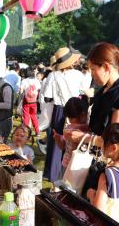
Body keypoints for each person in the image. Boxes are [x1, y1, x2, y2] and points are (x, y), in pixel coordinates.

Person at [63, 42, 119, 194]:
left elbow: (114, 141)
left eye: (94, 69)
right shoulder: (104, 90)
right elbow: (97, 125)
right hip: (92, 157)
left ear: (107, 67)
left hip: (105, 163)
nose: (92, 74)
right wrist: (80, 129)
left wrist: (83, 137)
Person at [42, 46, 84, 182]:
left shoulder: (53, 75)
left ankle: (53, 173)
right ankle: (70, 172)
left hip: (59, 110)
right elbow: (83, 92)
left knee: (56, 140)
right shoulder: (79, 75)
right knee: (73, 141)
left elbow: (47, 95)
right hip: (75, 109)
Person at [53, 96, 90, 180]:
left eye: (70, 118)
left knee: (63, 188)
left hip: (72, 166)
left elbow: (62, 146)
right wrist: (58, 138)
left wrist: (58, 138)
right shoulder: (70, 129)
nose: (70, 121)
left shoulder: (71, 129)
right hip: (72, 165)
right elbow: (63, 146)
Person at [20, 67, 41, 135]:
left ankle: (26, 132)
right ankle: (37, 131)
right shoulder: (36, 81)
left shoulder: (24, 81)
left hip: (26, 101)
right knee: (34, 116)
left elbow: (21, 91)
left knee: (26, 117)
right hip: (34, 102)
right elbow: (39, 90)